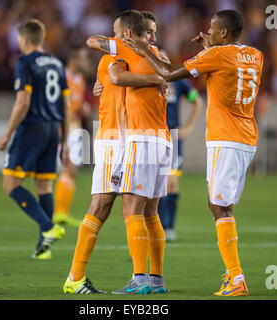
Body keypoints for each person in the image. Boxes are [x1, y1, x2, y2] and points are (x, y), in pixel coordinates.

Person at [124, 9, 264, 296]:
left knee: (219, 206)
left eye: (212, 28)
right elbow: (228, 65)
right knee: (223, 205)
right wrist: (212, 49)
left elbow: (166, 73)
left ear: (223, 33)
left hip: (225, 139)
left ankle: (236, 277)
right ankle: (231, 273)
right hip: (247, 137)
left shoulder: (215, 56)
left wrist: (142, 49)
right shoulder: (255, 54)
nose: (208, 31)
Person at [63, 10, 169, 295]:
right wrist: (156, 78)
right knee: (104, 206)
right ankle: (75, 277)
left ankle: (149, 280)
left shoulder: (144, 56)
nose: (152, 37)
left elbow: (117, 79)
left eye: (154, 32)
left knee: (144, 210)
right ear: (131, 34)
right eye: (148, 32)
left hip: (133, 138)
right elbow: (114, 77)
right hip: (114, 138)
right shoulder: (117, 56)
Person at [0, 19, 70, 260]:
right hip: (52, 129)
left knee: (11, 184)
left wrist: (8, 133)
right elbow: (67, 105)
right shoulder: (57, 64)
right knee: (43, 186)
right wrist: (65, 140)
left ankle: (48, 227)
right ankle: (43, 249)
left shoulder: (25, 62)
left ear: (25, 40)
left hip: (32, 128)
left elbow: (23, 102)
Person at [158, 75, 203, 241]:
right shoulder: (147, 79)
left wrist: (189, 126)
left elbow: (196, 100)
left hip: (173, 138)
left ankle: (168, 227)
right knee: (157, 184)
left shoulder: (178, 82)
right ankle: (159, 227)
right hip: (153, 135)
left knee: (171, 182)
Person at [52, 48, 91, 227]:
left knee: (71, 169)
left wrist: (82, 106)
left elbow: (74, 102)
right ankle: (59, 213)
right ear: (73, 59)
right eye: (83, 58)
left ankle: (62, 213)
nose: (86, 62)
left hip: (74, 127)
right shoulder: (61, 77)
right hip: (61, 127)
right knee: (69, 167)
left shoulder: (80, 80)